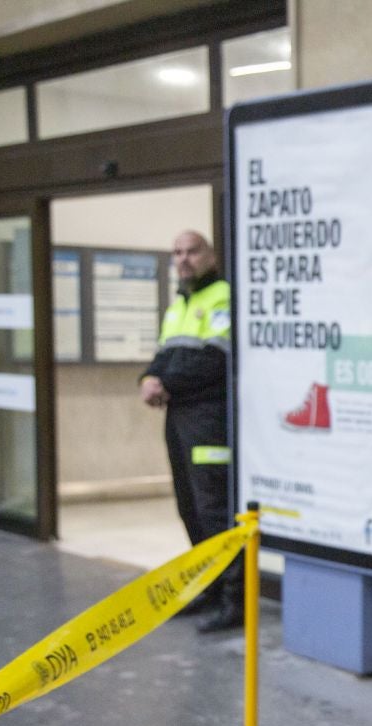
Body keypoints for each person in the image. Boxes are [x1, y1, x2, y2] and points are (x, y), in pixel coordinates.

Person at [139, 230, 244, 634]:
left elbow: (214, 363)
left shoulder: (222, 297)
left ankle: (234, 601)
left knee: (215, 511)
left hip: (209, 419)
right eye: (177, 252)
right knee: (189, 509)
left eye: (192, 251)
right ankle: (210, 590)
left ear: (211, 256)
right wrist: (147, 377)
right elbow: (163, 356)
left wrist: (165, 384)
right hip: (179, 419)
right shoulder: (178, 306)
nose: (184, 259)